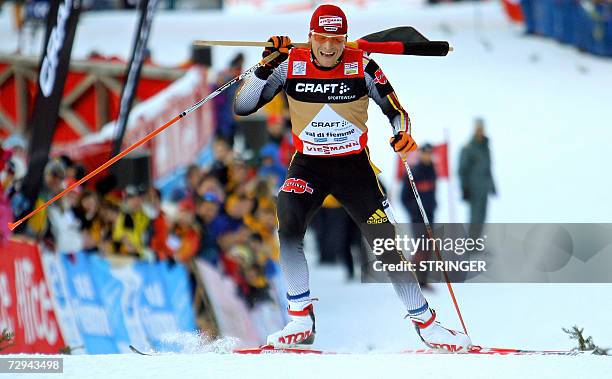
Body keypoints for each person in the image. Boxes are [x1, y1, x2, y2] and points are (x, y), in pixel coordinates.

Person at [234, 4, 471, 351]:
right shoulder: (290, 64)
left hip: (353, 168)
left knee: (386, 245)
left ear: (344, 40)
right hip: (308, 166)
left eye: (336, 40)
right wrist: (264, 66)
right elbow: (242, 105)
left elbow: (397, 113)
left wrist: (402, 134)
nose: (329, 48)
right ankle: (300, 316)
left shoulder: (362, 65)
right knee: (288, 224)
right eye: (321, 39)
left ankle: (427, 324)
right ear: (310, 37)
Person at [459, 118, 496, 238]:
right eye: (478, 128)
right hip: (473, 189)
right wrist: (464, 188)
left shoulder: (485, 147)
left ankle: (477, 243)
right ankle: (470, 244)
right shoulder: (468, 148)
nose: (480, 131)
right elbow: (462, 170)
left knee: (482, 217)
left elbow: (488, 168)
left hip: (484, 189)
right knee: (474, 218)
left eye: (482, 128)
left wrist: (492, 186)